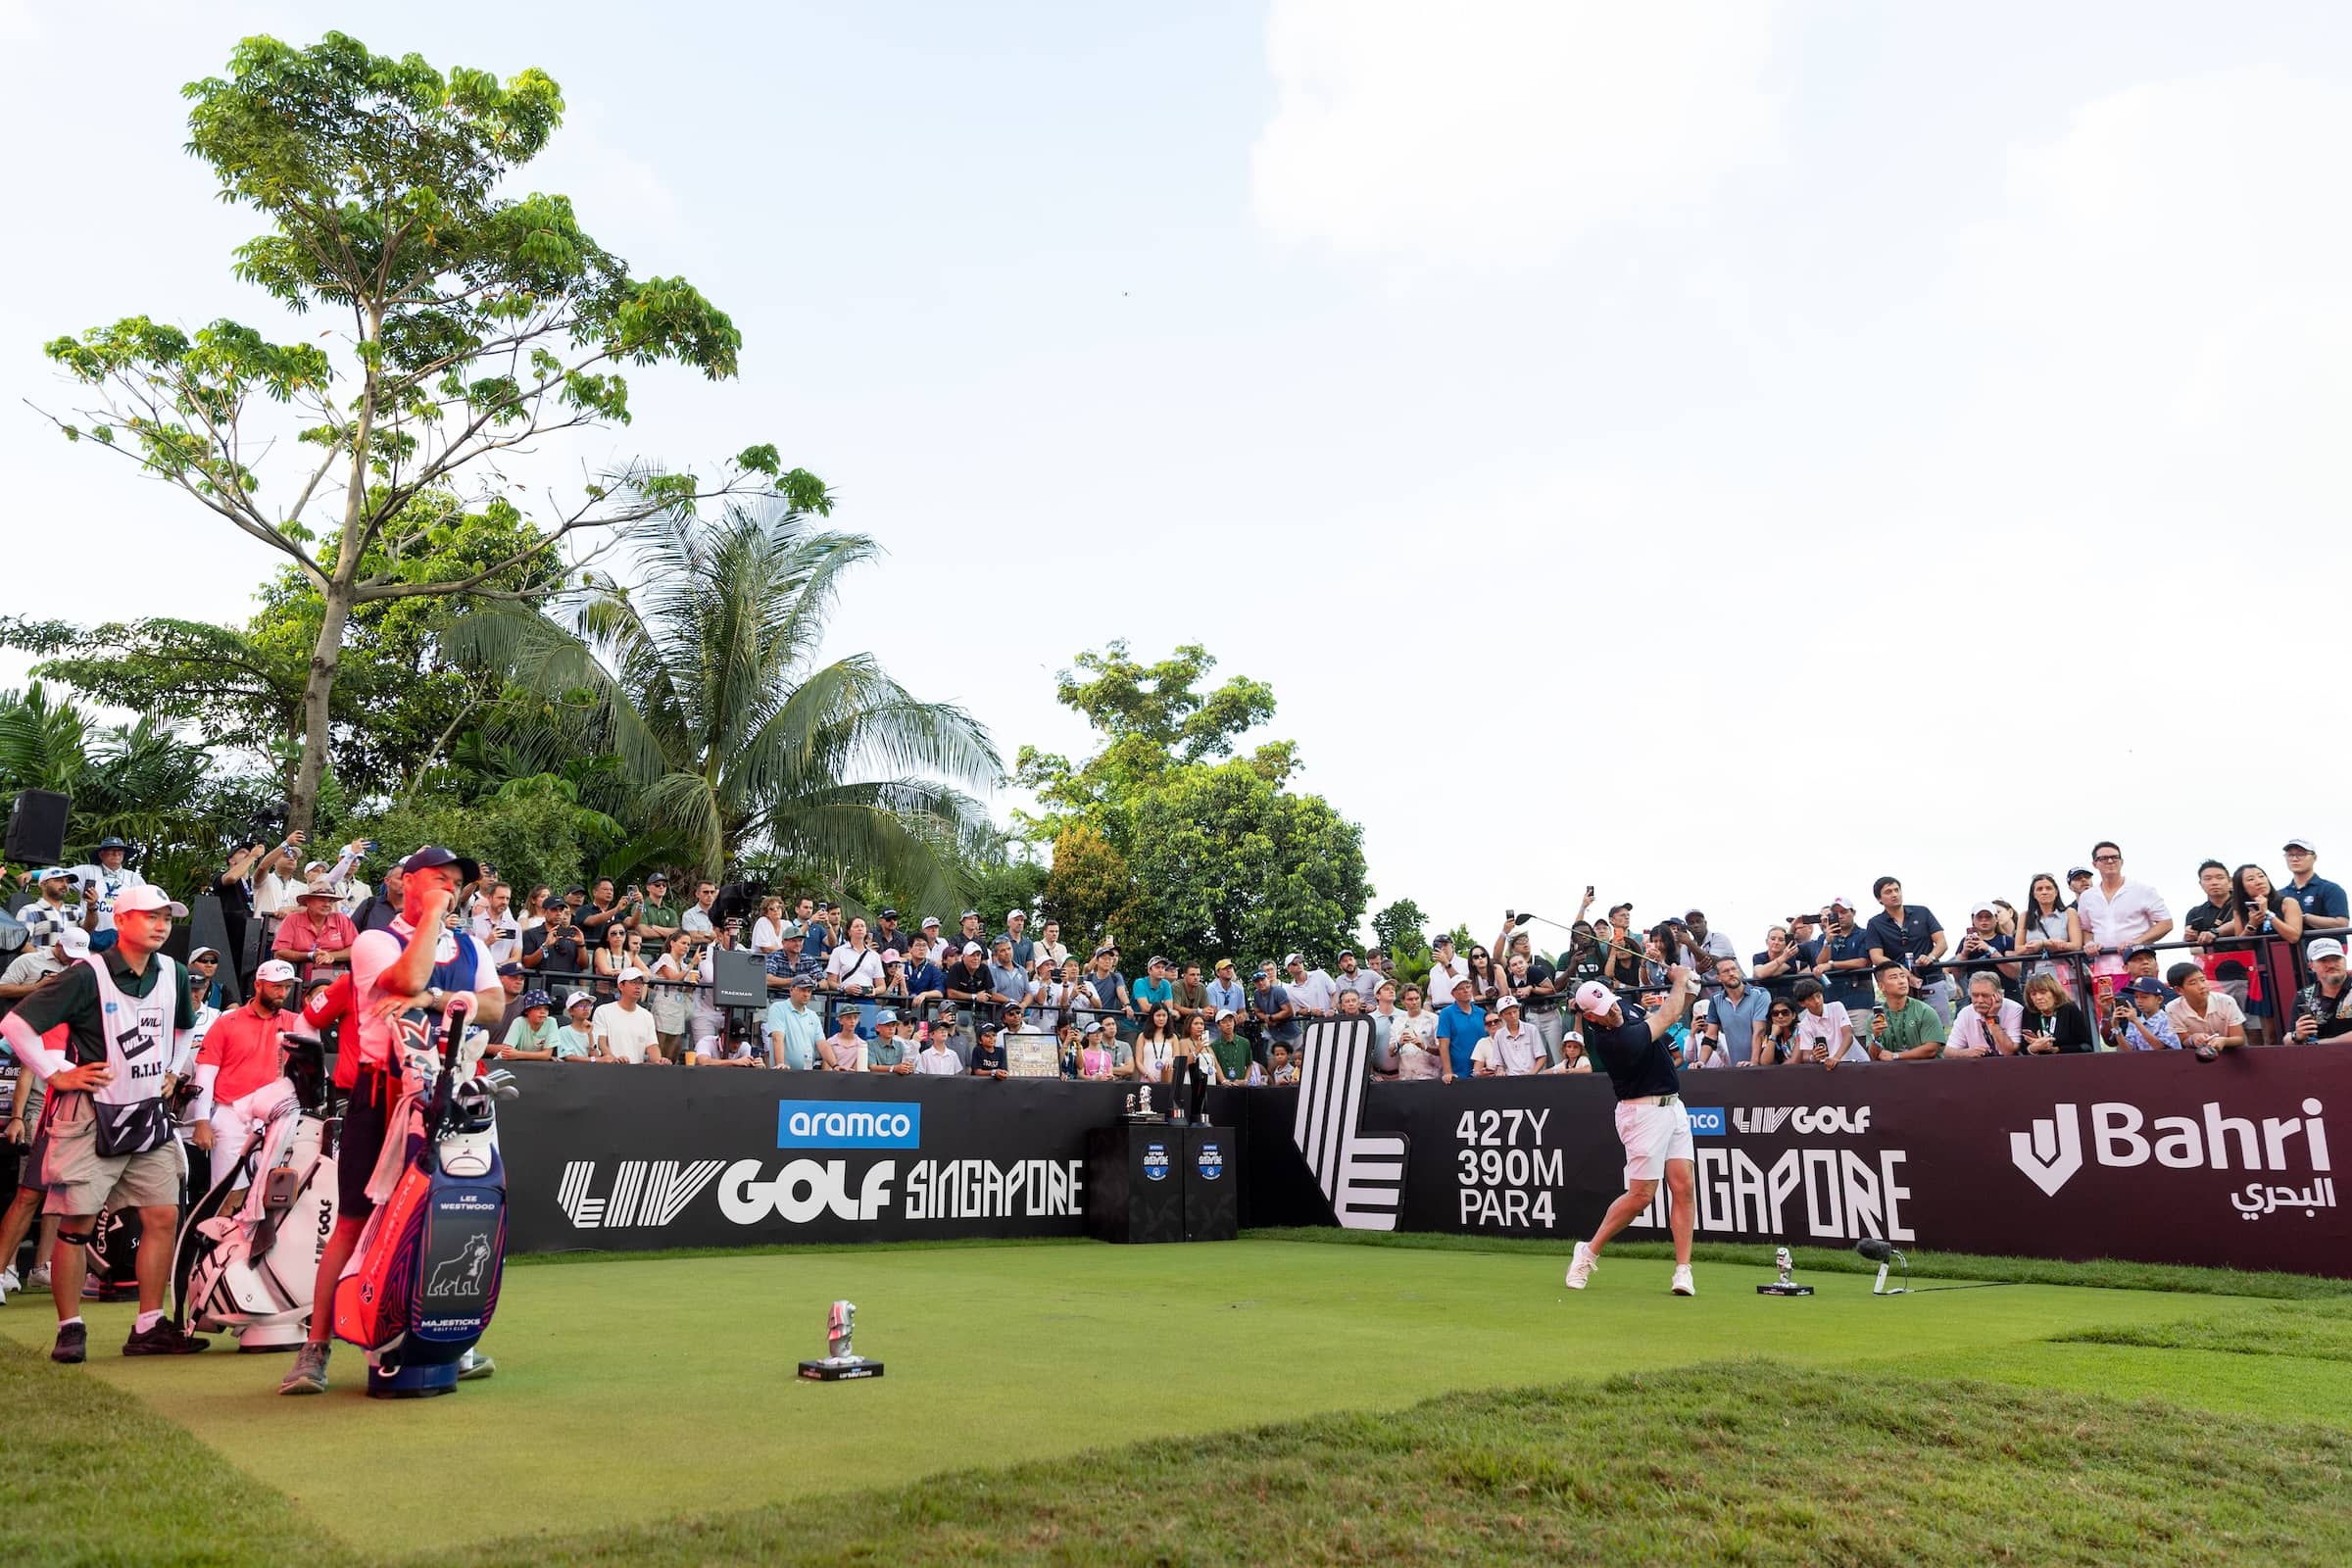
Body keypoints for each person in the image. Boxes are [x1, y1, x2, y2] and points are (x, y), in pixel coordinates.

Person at [277, 845, 503, 1394]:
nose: (452, 888)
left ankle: (443, 1341)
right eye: (441, 878)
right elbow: (405, 980)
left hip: (453, 1096)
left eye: (458, 881)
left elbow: (495, 1008)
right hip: (382, 1095)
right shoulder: (375, 938)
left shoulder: (472, 943)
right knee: (353, 1221)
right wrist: (429, 920)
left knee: (446, 1219)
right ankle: (317, 1348)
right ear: (409, 881)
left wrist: (438, 997)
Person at [0, 886, 204, 1360]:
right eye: (150, 917)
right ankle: (70, 1327)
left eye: (166, 919)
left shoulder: (173, 972)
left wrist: (173, 1067)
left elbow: (185, 1025)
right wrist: (58, 1073)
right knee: (76, 1224)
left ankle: (149, 1324)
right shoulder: (86, 974)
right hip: (93, 1115)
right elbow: (14, 1026)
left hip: (147, 1115)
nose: (160, 925)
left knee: (162, 1216)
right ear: (122, 918)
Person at [1563, 970, 1700, 1298]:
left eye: (1611, 1004)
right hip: (1641, 1114)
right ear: (1590, 1018)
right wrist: (1680, 980)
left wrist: (1689, 988)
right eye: (1604, 1011)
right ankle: (1588, 1252)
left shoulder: (1622, 1009)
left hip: (1674, 1106)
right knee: (1642, 1196)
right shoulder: (1614, 1041)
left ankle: (1683, 1271)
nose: (1614, 1011)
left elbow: (1672, 1011)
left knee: (1684, 1186)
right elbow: (1667, 1015)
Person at [189, 957, 299, 1164]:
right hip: (232, 1115)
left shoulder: (295, 1022)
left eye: (287, 987)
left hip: (277, 1116)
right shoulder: (227, 1022)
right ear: (258, 985)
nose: (283, 993)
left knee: (269, 1191)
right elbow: (205, 1074)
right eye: (276, 986)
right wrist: (201, 1121)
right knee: (230, 1191)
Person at [2074, 843, 2173, 1004]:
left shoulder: (2142, 889)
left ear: (2122, 861)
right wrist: (2090, 943)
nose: (2110, 861)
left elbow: (2166, 923)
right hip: (2104, 970)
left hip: (2139, 967)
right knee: (2111, 1019)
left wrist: (2137, 942)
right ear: (2095, 864)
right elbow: (2086, 929)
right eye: (2104, 858)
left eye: (2114, 857)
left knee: (2146, 1015)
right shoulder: (2087, 897)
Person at [1865, 876, 1952, 1022]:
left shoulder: (1922, 912)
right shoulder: (1875, 923)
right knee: (1906, 1031)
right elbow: (1876, 957)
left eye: (1896, 890)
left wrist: (1930, 957)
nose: (1894, 894)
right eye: (1888, 892)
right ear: (1879, 899)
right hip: (1900, 985)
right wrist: (1899, 969)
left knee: (1937, 1029)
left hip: (1931, 978)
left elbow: (1942, 942)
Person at [1813, 898, 1877, 1032]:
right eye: (1836, 914)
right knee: (1835, 1048)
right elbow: (1819, 963)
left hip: (1859, 1000)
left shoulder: (1865, 934)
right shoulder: (1823, 937)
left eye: (1844, 911)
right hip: (1831, 1001)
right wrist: (1827, 942)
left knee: (1863, 1044)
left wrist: (1832, 965)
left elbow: (1863, 962)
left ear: (1853, 912)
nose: (1840, 916)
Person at [272, 877, 359, 975]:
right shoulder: (293, 919)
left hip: (335, 974)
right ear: (308, 901)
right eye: (321, 900)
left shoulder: (342, 920)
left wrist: (330, 956)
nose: (327, 904)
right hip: (298, 976)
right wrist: (310, 955)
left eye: (330, 901)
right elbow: (280, 952)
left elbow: (355, 949)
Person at [2017, 873, 2083, 993]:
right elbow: (2018, 949)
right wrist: (2043, 944)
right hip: (2037, 975)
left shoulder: (2069, 913)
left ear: (2056, 891)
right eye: (2039, 889)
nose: (2044, 892)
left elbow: (2077, 945)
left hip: (2066, 974)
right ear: (2034, 894)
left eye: (2048, 888)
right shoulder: (2025, 916)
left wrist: (2043, 944)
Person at [1868, 962, 1948, 1061]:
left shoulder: (1925, 1011)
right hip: (1891, 1074)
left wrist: (1896, 1056)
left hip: (1925, 1071)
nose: (1901, 981)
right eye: (1894, 977)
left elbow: (1931, 1049)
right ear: (1881, 986)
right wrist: (1876, 1036)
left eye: (1902, 976)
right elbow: (1874, 1057)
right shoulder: (1875, 1019)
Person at [2165, 963, 2246, 1058]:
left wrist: (2223, 1041)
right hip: (2198, 1058)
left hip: (2232, 1055)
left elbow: (2239, 1039)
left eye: (2203, 980)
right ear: (2179, 990)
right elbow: (2184, 1040)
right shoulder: (2173, 1008)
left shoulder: (2226, 1001)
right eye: (2193, 983)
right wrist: (2193, 1039)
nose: (2202, 986)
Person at [1697, 957, 1768, 1067]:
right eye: (1726, 971)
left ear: (1739, 971)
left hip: (1765, 1066)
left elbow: (1759, 1031)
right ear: (1718, 978)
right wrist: (1701, 1062)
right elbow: (1711, 1036)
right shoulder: (1715, 1000)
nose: (1731, 973)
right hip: (1737, 1068)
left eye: (1734, 969)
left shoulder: (1760, 994)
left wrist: (1753, 1063)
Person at [1950, 902, 2020, 1002]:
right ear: (1973, 919)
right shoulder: (1966, 941)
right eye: (1980, 917)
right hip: (1978, 998)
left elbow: (2014, 972)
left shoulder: (2007, 941)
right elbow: (1957, 975)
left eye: (1988, 917)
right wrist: (1964, 953)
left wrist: (1990, 950)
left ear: (1996, 918)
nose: (1984, 920)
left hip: (2006, 995)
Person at [1788, 977, 1861, 1070]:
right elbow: (1806, 1056)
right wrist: (1813, 1057)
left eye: (1818, 996)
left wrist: (1836, 1058)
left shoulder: (1837, 1007)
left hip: (1855, 1063)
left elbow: (1848, 1035)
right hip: (1828, 1069)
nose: (1817, 1001)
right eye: (1811, 999)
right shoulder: (1804, 1024)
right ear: (1802, 1004)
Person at [592, 968, 662, 1063]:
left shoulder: (647, 1015)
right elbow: (601, 1043)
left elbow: (652, 1046)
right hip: (610, 1070)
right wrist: (615, 1060)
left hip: (637, 1073)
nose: (638, 987)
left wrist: (660, 1061)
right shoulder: (603, 1011)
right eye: (633, 982)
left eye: (641, 983)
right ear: (621, 986)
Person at [1944, 972, 2021, 1059]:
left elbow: (2008, 1052)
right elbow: (1947, 1052)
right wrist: (1965, 1053)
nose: (1980, 1000)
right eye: (1975, 995)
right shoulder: (1965, 1013)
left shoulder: (2015, 1009)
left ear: (1999, 995)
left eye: (1985, 995)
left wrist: (1992, 1018)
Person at [2280, 838, 2348, 935]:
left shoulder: (2330, 889)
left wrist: (2303, 917)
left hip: (2326, 947)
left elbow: (2341, 924)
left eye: (2301, 854)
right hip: (2292, 948)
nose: (2295, 859)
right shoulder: (2281, 894)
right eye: (2290, 855)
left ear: (2314, 858)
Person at [2016, 973, 2095, 1054]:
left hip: (2067, 1063)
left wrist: (2056, 1049)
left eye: (2043, 992)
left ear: (2054, 993)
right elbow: (2022, 1051)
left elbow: (2087, 1047)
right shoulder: (2028, 1012)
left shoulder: (2069, 1010)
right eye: (2033, 994)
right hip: (2038, 1065)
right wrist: (2033, 1048)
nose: (2038, 997)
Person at [2290, 938, 2352, 1043]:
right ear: (2311, 966)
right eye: (2323, 960)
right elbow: (2287, 1039)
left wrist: (2320, 1044)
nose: (2332, 965)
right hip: (2320, 1057)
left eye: (2336, 958)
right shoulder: (2304, 995)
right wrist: (2297, 1036)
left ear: (2345, 960)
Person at [647, 931, 695, 1060]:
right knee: (660, 1045)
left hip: (678, 1008)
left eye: (688, 944)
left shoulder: (684, 965)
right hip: (663, 1005)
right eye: (683, 943)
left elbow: (685, 989)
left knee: (673, 1050)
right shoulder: (666, 958)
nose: (686, 946)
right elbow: (673, 978)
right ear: (673, 943)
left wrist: (693, 985)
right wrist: (691, 965)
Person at [764, 975, 824, 1070]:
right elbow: (777, 1038)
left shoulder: (813, 1015)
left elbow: (822, 1044)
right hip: (785, 1074)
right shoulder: (778, 1008)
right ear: (791, 990)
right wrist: (780, 1065)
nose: (806, 994)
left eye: (809, 991)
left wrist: (835, 1065)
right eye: (802, 990)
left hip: (807, 1073)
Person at [1473, 995, 1543, 1076]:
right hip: (1511, 1079)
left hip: (1533, 1077)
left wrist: (1532, 1074)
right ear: (1502, 1016)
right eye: (1508, 1013)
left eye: (1515, 1012)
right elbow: (1498, 1062)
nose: (1513, 1016)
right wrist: (1500, 1070)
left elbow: (1541, 1056)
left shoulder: (1531, 1029)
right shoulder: (1499, 1035)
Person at [1434, 975, 1486, 1082]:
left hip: (1482, 1073)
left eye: (1468, 987)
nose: (1466, 991)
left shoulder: (1482, 1013)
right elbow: (1443, 1045)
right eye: (1461, 988)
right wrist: (1448, 1072)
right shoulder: (1446, 1013)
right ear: (1453, 993)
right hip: (1459, 1074)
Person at [2111, 977, 2183, 1051]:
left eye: (2144, 997)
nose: (2139, 1001)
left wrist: (2136, 1022)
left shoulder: (2169, 1019)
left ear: (2159, 999)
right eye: (2136, 997)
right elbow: (2128, 1050)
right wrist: (2116, 1028)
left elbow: (2159, 1047)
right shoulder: (2134, 1021)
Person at [1248, 961, 1296, 1064]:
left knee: (1294, 1063)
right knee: (1272, 1064)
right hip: (1273, 1034)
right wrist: (1266, 1018)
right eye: (1257, 981)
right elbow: (1257, 1011)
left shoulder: (1279, 990)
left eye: (1262, 979)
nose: (1260, 983)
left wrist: (1271, 1018)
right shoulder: (1256, 994)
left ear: (1267, 979)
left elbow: (1289, 1011)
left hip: (1290, 1033)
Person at [497, 991, 561, 1060]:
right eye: (538, 1008)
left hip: (534, 1065)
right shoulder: (519, 1022)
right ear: (527, 1011)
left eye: (546, 1008)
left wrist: (517, 1054)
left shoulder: (551, 1022)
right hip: (511, 1064)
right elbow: (507, 1052)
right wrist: (540, 1055)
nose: (543, 1012)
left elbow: (546, 1055)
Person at [1204, 1009, 1252, 1086]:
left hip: (1241, 1087)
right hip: (1222, 1088)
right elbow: (1214, 1068)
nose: (1228, 1024)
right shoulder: (1214, 1046)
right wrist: (1223, 1081)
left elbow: (1249, 1064)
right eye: (1224, 1022)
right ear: (1218, 1026)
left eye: (1230, 1020)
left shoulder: (1244, 1042)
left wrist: (1245, 1080)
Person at [1424, 932, 1469, 1007]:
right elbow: (1430, 995)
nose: (1442, 948)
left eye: (1445, 945)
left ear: (1452, 947)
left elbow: (1461, 984)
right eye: (1438, 946)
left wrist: (1446, 963)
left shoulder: (1465, 963)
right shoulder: (1433, 970)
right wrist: (1427, 1005)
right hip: (1438, 1010)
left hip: (1459, 1008)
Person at [864, 1010, 916, 1075]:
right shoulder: (870, 1044)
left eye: (893, 1025)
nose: (891, 1028)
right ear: (877, 1027)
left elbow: (904, 1065)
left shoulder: (900, 1045)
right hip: (875, 1083)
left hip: (895, 1083)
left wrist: (908, 1067)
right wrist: (894, 1068)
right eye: (887, 1025)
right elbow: (872, 1067)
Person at [819, 1006, 866, 1072]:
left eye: (855, 1017)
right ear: (840, 1021)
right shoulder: (830, 1042)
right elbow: (825, 1069)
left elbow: (859, 1069)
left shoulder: (862, 1044)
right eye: (849, 1018)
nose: (853, 1021)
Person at [553, 993, 598, 1060]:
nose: (586, 1009)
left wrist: (590, 1035)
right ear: (571, 1011)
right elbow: (568, 1057)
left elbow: (596, 1057)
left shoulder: (592, 1031)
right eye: (581, 1006)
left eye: (589, 1005)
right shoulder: (564, 1031)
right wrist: (593, 1060)